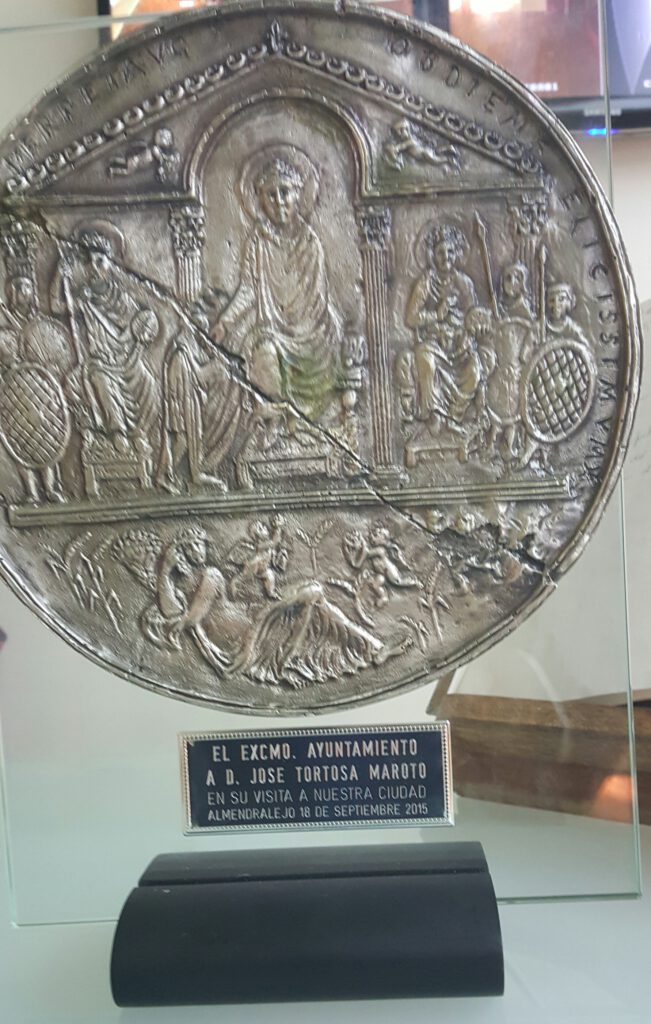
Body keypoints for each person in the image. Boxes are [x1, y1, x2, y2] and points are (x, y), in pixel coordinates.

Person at [212, 146, 343, 422]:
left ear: (298, 195)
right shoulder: (258, 242)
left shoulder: (310, 243)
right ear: (260, 201)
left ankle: (306, 424)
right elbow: (248, 289)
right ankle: (275, 426)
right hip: (272, 331)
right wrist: (225, 322)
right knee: (262, 355)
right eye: (270, 195)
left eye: (285, 192)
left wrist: (299, 327)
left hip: (312, 332)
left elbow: (316, 299)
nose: (279, 201)